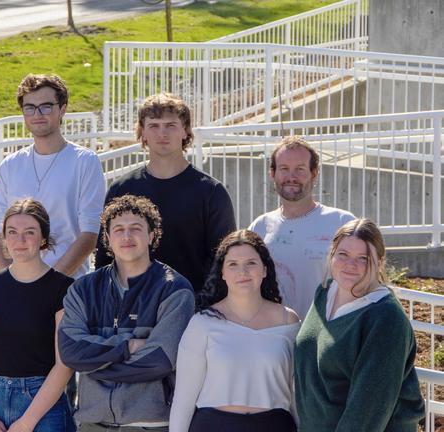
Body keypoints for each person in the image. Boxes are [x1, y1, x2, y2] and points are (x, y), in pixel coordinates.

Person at [59, 195, 195, 431]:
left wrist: (95, 363)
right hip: (93, 424)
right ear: (108, 239)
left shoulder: (174, 289)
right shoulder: (83, 290)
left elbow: (158, 361)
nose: (126, 236)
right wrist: (128, 346)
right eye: (118, 229)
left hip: (149, 424)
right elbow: (71, 352)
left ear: (151, 235)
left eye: (136, 228)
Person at [94, 93, 235, 292]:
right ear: (142, 133)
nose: (162, 133)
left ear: (185, 131)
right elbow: (105, 258)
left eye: (170, 125)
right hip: (132, 310)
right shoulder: (122, 190)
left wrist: (201, 309)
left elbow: (223, 260)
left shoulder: (211, 192)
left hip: (193, 311)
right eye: (154, 126)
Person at [294, 218, 425, 431]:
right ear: (332, 254)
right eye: (343, 254)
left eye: (363, 258)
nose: (350, 265)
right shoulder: (325, 292)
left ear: (380, 263)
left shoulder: (385, 318)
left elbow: (368, 411)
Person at [0, 198, 76, 432]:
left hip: (44, 405)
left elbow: (64, 364)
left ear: (43, 238)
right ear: (4, 238)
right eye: (12, 232)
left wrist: (26, 423)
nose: (20, 240)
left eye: (30, 232)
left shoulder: (63, 289)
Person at [170, 230, 300, 432]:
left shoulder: (288, 321)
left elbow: (297, 395)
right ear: (222, 272)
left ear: (264, 269)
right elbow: (183, 399)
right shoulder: (202, 323)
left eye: (251, 263)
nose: (243, 272)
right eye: (233, 264)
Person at [0, 73, 105, 279]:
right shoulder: (10, 165)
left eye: (46, 106)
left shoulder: (85, 162)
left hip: (66, 287)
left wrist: (48, 285)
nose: (37, 114)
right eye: (29, 107)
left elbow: (89, 234)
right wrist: (9, 281)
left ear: (63, 109)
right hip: (19, 288)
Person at [248, 135, 355, 319]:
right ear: (272, 173)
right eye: (284, 168)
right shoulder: (260, 227)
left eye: (300, 169)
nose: (291, 177)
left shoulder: (342, 223)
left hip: (326, 337)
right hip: (275, 337)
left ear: (314, 173)